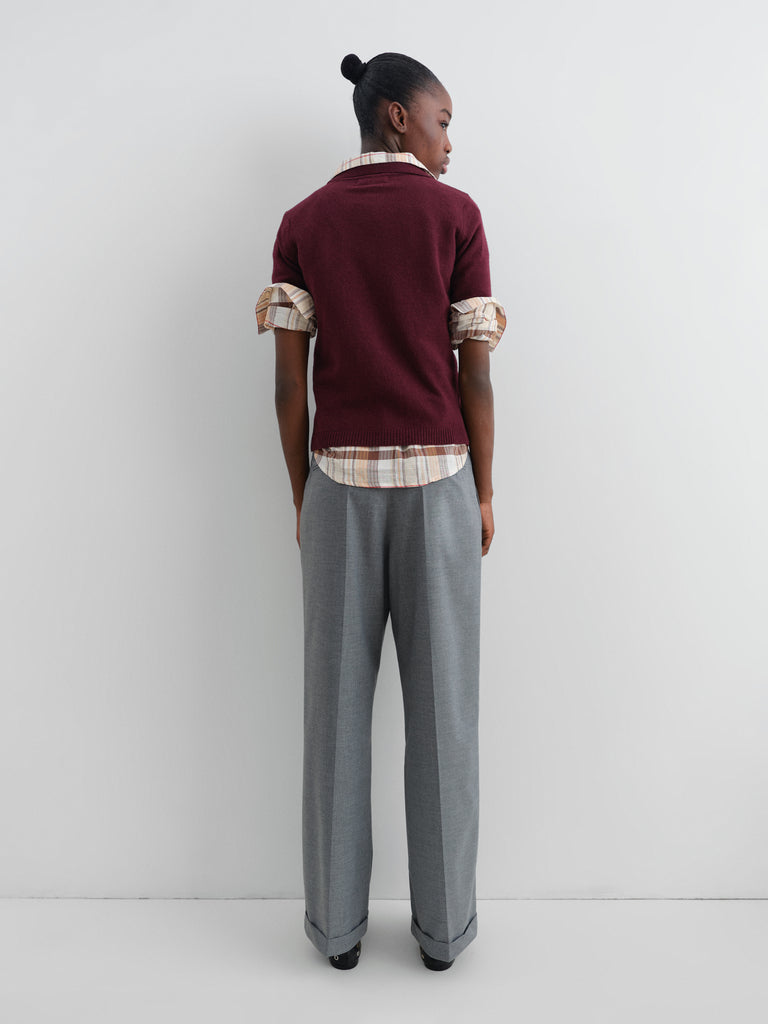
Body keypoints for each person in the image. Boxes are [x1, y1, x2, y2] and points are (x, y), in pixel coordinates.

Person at [256, 51, 505, 972]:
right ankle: (442, 935)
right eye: (443, 121)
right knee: (446, 719)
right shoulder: (456, 216)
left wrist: (303, 495)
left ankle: (337, 933)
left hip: (338, 488)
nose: (450, 141)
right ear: (397, 115)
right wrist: (485, 490)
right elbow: (475, 376)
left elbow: (290, 388)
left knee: (333, 716)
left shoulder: (303, 223)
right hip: (440, 485)